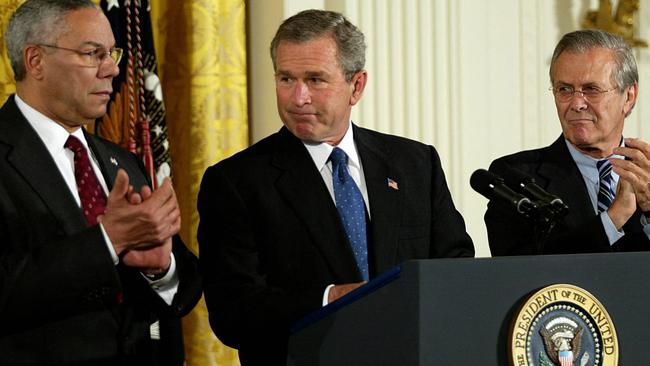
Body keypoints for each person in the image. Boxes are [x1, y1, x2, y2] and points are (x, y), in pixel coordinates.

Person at [198, 9, 474, 365]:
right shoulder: (236, 182)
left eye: (315, 80)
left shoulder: (416, 164)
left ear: (356, 86)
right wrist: (330, 299)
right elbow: (233, 313)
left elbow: (454, 271)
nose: (298, 97)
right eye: (286, 79)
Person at [0, 0, 201, 364]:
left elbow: (184, 286)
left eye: (113, 53)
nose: (112, 69)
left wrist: (161, 270)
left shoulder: (120, 159)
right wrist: (108, 242)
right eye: (93, 53)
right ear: (35, 61)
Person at [485, 29, 650, 256]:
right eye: (565, 89)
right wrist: (614, 217)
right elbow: (522, 268)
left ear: (629, 96)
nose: (577, 103)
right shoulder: (515, 178)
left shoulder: (647, 175)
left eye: (591, 89)